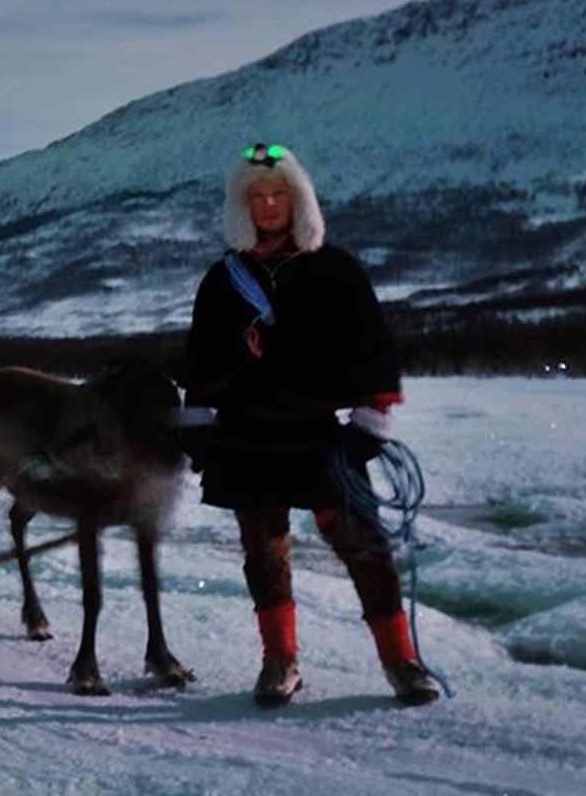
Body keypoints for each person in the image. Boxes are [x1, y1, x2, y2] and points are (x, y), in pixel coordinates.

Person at [182, 141, 441, 708]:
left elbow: (374, 347)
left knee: (365, 546)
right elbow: (200, 360)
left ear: (298, 201)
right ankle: (280, 662)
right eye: (257, 196)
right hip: (247, 437)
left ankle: (402, 663)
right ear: (241, 207)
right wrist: (198, 427)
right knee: (264, 554)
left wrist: (369, 423)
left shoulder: (336, 270)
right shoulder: (222, 280)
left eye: (279, 193)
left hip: (319, 434)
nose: (269, 204)